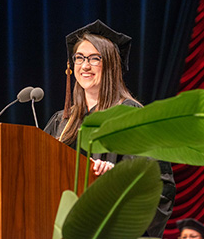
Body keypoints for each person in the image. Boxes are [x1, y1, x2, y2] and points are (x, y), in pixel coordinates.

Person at [44, 19, 176, 238]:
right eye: (79, 58)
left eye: (94, 58)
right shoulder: (61, 121)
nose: (85, 65)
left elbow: (160, 188)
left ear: (111, 64)